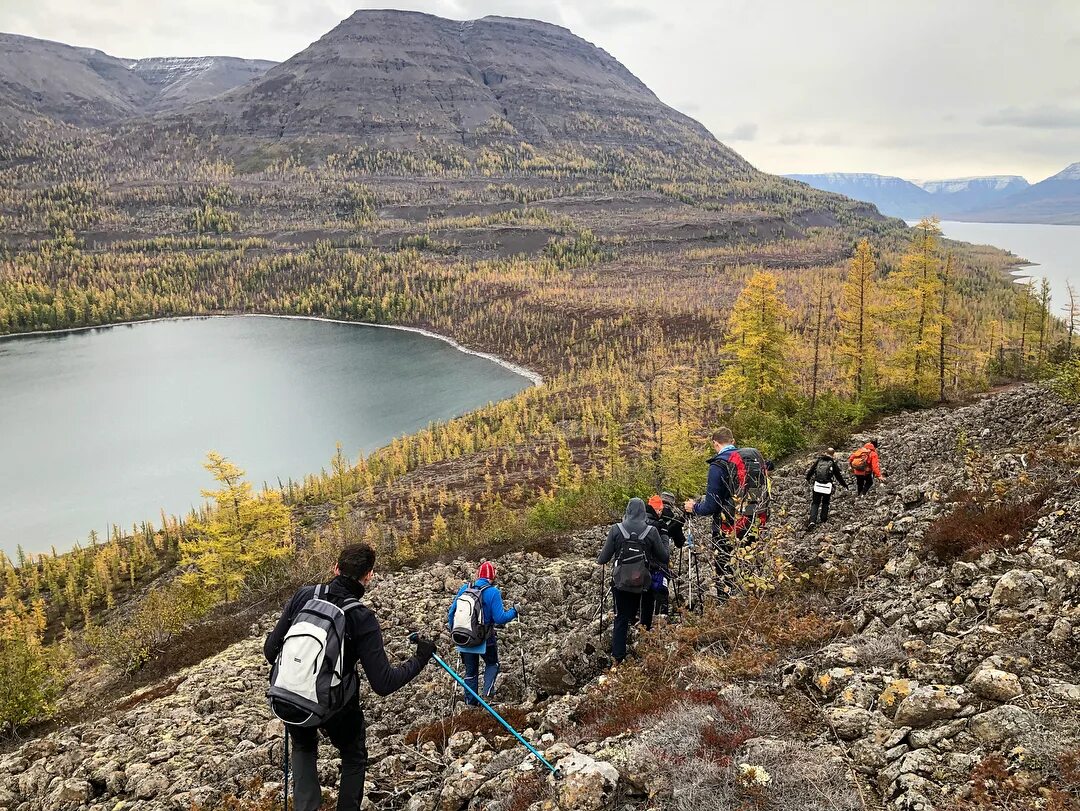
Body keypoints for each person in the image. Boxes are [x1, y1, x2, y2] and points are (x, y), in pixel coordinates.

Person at [265, 543, 435, 811]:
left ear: (336, 568)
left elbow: (269, 650)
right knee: (353, 756)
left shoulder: (303, 596)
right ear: (369, 576)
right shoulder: (361, 617)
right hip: (337, 707)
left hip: (290, 696)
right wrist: (420, 658)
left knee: (303, 747)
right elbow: (383, 683)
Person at [683, 427, 763, 599]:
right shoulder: (750, 459)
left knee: (725, 570)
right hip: (752, 520)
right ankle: (753, 603)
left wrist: (694, 507)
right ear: (733, 441)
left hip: (727, 526)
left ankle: (727, 607)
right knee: (748, 565)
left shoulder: (718, 465)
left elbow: (711, 506)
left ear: (715, 443)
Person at [597, 498, 669, 663]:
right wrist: (665, 537)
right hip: (643, 583)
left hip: (621, 583)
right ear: (644, 511)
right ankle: (645, 652)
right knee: (645, 614)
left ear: (627, 511)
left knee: (621, 617)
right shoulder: (651, 531)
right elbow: (664, 557)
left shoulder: (616, 529)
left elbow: (603, 559)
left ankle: (618, 657)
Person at [447, 561, 518, 705]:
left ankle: (471, 703)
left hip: (465, 637)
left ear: (479, 574)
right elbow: (500, 619)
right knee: (492, 664)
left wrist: (455, 631)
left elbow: (451, 613)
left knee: (470, 672)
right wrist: (515, 611)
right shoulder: (493, 592)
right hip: (485, 639)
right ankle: (486, 695)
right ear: (492, 576)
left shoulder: (464, 589)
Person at [646, 493, 684, 617]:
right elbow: (680, 543)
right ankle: (661, 617)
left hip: (643, 564)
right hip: (661, 563)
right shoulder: (673, 519)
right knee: (661, 592)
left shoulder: (642, 518)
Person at [805, 448, 849, 528]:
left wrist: (807, 479)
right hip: (827, 486)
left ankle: (812, 521)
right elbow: (838, 476)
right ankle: (823, 518)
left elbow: (811, 471)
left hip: (817, 485)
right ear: (833, 454)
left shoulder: (819, 461)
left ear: (825, 453)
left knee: (815, 503)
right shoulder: (832, 463)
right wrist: (844, 485)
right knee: (825, 502)